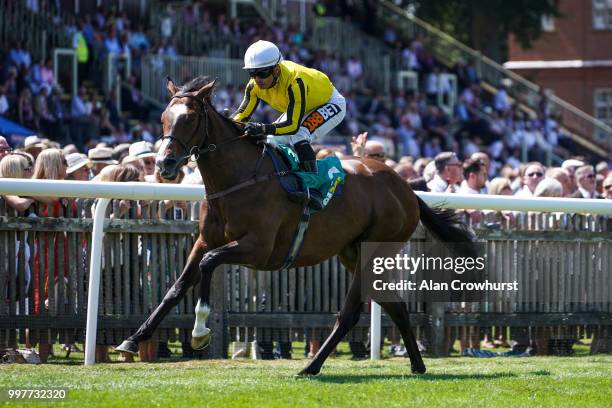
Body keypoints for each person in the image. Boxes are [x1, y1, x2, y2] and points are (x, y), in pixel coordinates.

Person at [232, 40, 346, 210]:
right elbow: (241, 117)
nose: (257, 79)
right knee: (272, 140)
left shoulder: (295, 81)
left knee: (299, 134)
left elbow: (292, 126)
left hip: (330, 103)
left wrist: (262, 128)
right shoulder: (254, 86)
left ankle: (313, 188)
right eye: (251, 73)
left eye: (262, 73)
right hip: (303, 105)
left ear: (276, 70)